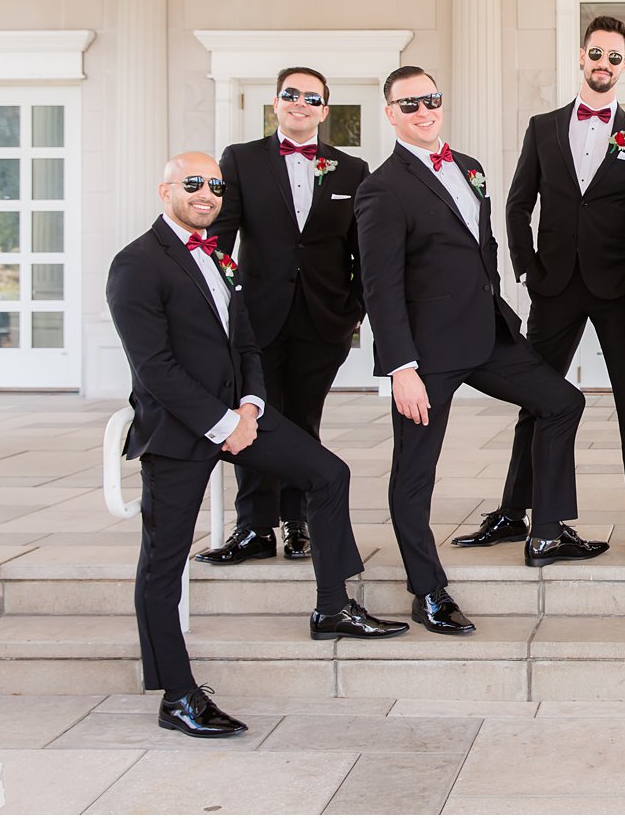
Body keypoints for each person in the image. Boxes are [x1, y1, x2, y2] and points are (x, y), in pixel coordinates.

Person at [107, 152, 405, 739]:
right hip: (178, 431)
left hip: (239, 414)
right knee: (162, 565)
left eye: (214, 186)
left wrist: (250, 407)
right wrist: (221, 423)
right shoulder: (136, 264)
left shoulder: (219, 256)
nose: (206, 194)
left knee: (328, 473)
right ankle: (177, 694)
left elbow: (245, 343)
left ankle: (331, 607)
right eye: (192, 184)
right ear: (164, 189)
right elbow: (155, 368)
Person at [356, 67, 606, 637]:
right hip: (426, 355)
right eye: (409, 103)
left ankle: (545, 528)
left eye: (431, 99)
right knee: (415, 473)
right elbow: (380, 285)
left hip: (488, 336)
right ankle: (427, 590)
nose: (424, 110)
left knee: (563, 402)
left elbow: (481, 246)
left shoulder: (469, 167)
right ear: (390, 113)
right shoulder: (381, 189)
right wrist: (401, 368)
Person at [454, 16, 625, 557]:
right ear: (580, 56)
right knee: (537, 398)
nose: (604, 64)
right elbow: (518, 202)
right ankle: (513, 510)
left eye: (615, 57)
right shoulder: (543, 127)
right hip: (555, 287)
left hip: (617, 290)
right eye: (597, 54)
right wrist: (526, 267)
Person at [195, 67, 369, 567]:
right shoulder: (242, 160)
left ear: (324, 110)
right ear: (276, 103)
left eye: (311, 98)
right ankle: (253, 527)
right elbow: (219, 243)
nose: (300, 103)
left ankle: (298, 523)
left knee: (302, 418)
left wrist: (351, 308)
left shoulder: (350, 170)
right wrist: (224, 311)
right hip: (257, 318)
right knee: (252, 417)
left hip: (323, 320)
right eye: (291, 94)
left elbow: (365, 250)